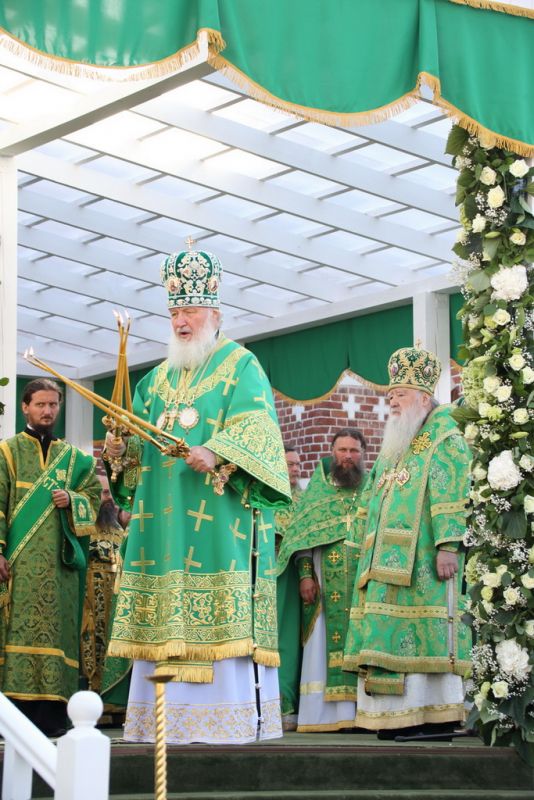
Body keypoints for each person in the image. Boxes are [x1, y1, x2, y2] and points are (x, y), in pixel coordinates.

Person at [104, 244, 291, 744]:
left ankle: (226, 722)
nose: (181, 322)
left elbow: (261, 431)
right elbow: (133, 464)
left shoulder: (241, 365)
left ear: (214, 313)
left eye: (189, 310)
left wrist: (217, 450)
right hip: (161, 531)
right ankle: (159, 724)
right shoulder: (154, 380)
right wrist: (118, 450)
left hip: (220, 525)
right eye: (174, 313)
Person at [343, 346, 471, 736]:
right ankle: (391, 715)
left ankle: (435, 715)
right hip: (381, 564)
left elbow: (453, 488)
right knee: (385, 635)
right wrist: (357, 543)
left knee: (423, 636)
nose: (392, 401)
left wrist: (448, 545)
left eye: (400, 394)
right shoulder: (395, 443)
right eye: (391, 394)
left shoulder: (444, 435)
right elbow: (372, 497)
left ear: (423, 397)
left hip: (425, 561)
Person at [0, 378, 100, 736]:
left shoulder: (76, 460)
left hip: (60, 569)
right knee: (17, 634)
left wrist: (73, 500)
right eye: (40, 404)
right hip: (19, 566)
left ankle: (54, 718)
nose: (47, 411)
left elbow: (93, 499)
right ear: (25, 407)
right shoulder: (8, 452)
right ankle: (11, 718)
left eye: (53, 405)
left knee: (57, 636)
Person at [277, 429, 367, 732]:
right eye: (342, 450)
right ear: (332, 452)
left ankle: (363, 712)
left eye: (354, 450)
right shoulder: (318, 491)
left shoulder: (371, 490)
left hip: (362, 583)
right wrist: (305, 575)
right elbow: (301, 538)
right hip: (324, 583)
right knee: (320, 644)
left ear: (363, 454)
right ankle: (325, 716)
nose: (347, 456)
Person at [81, 475, 127, 695]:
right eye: (104, 493)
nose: (109, 499)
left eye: (110, 493)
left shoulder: (120, 531)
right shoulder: (83, 528)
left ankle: (110, 694)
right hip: (88, 597)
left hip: (114, 598)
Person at [275, 446, 303, 731]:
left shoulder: (305, 500)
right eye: (290, 464)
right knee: (280, 637)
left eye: (297, 465)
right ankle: (278, 705)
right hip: (276, 575)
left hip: (301, 575)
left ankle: (295, 704)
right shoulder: (269, 495)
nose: (295, 469)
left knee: (297, 641)